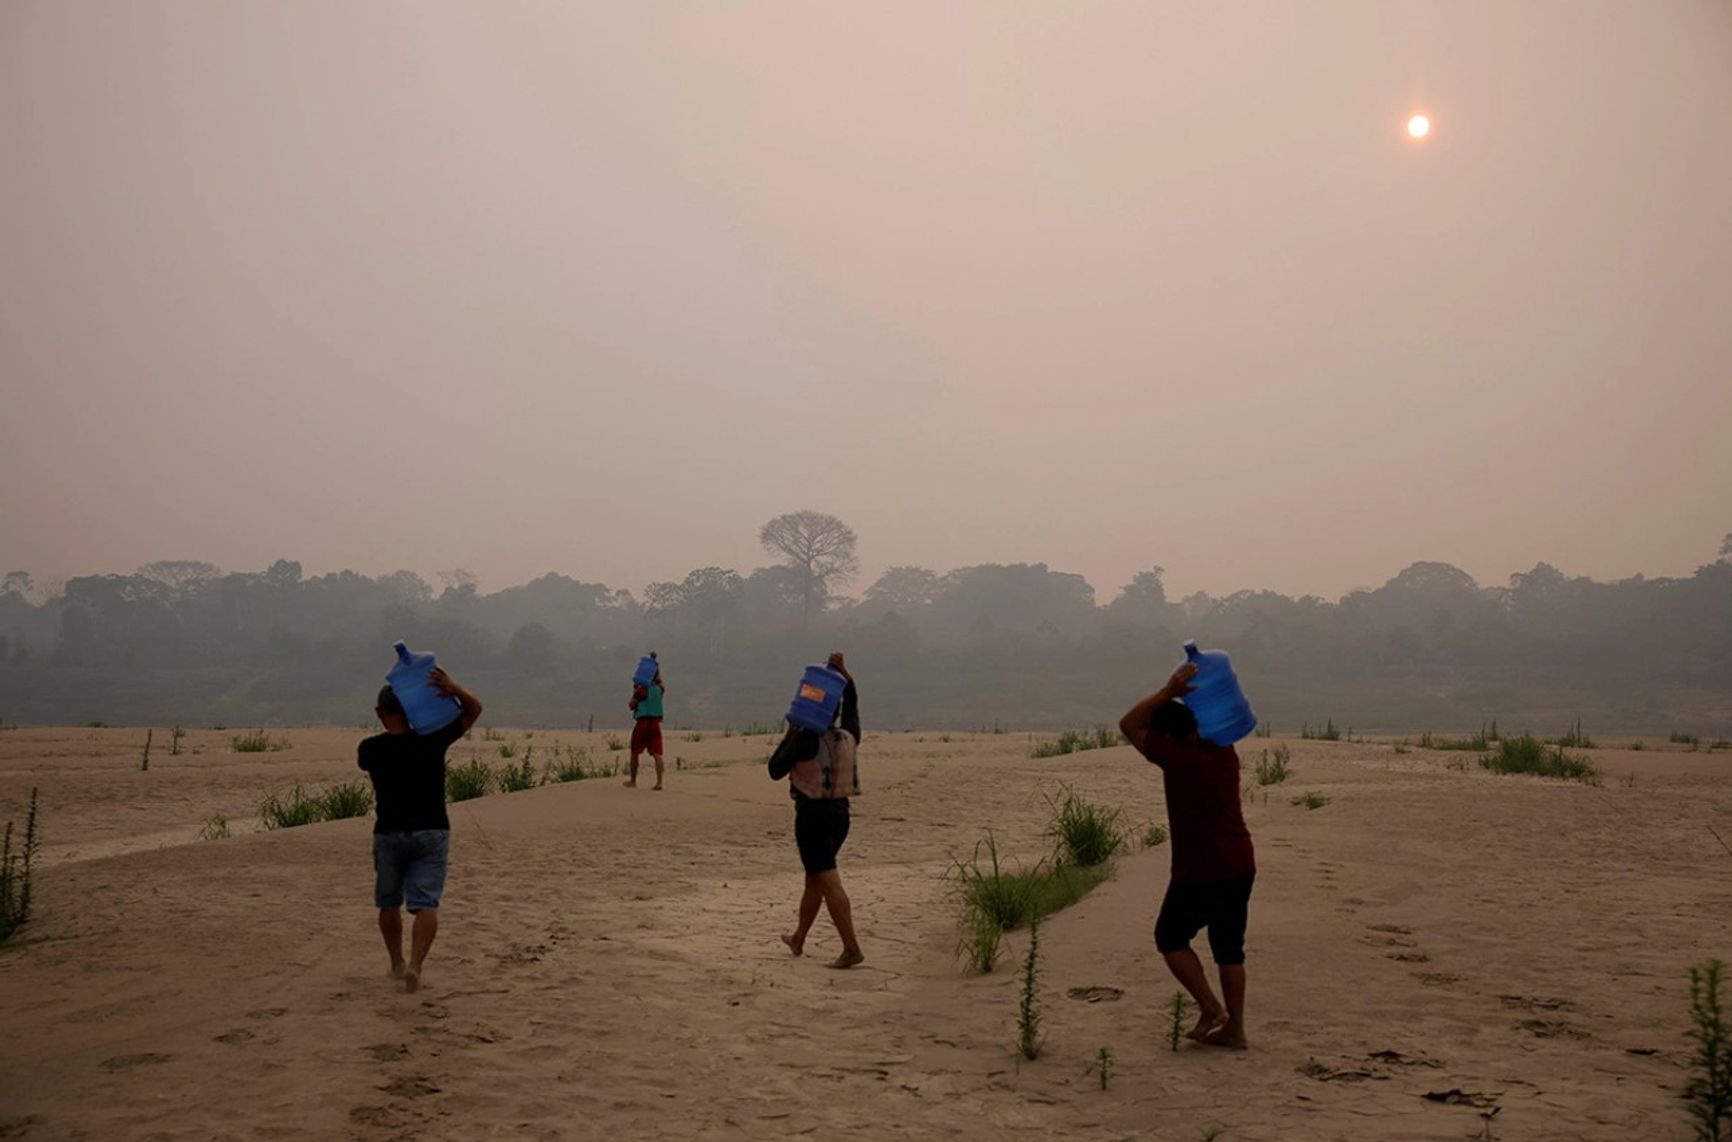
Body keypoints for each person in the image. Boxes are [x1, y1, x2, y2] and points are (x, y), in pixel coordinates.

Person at [1119, 660, 1256, 1049]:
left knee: (1169, 936)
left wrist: (1167, 690)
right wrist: (1196, 698)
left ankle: (1212, 1008)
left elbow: (1129, 724)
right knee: (1230, 947)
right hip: (1240, 862)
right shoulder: (1223, 750)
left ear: (1168, 737)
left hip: (1200, 868)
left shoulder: (1177, 759)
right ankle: (1236, 1030)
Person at [357, 667, 483, 993]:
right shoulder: (432, 741)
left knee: (388, 903)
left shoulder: (369, 750)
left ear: (379, 713)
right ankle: (415, 965)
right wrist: (452, 687)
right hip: (431, 831)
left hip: (388, 834)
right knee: (427, 903)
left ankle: (396, 963)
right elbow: (474, 710)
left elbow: (373, 756)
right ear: (413, 708)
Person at [768, 651, 864, 969]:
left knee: (828, 880)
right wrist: (846, 678)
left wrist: (790, 733)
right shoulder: (849, 735)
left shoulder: (805, 740)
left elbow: (774, 769)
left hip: (812, 818)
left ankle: (851, 948)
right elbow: (852, 707)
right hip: (841, 815)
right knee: (815, 877)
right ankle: (799, 938)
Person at [626, 658, 666, 790]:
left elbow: (632, 705)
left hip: (643, 722)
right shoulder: (660, 689)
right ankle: (659, 782)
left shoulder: (641, 690)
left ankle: (633, 781)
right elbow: (659, 682)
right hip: (655, 723)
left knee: (634, 752)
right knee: (657, 753)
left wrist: (635, 691)